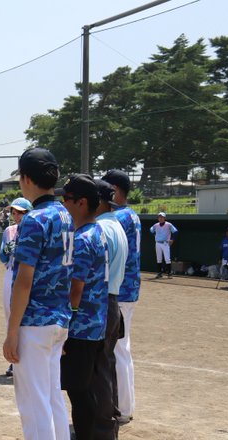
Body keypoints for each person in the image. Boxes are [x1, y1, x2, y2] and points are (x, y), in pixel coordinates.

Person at [1, 148, 73, 440]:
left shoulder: (34, 220)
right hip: (58, 318)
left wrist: (12, 330)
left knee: (34, 403)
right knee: (52, 397)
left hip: (35, 321)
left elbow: (24, 280)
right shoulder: (64, 214)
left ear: (26, 179)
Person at [59, 175, 108, 440]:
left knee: (79, 391)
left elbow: (75, 289)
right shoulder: (95, 231)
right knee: (83, 389)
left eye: (67, 199)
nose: (63, 204)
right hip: (94, 322)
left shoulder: (82, 239)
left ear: (82, 203)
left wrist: (65, 325)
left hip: (82, 327)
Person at [102, 169, 140, 425]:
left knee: (118, 350)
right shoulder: (131, 214)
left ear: (114, 190)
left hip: (120, 290)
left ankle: (123, 408)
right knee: (121, 349)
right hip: (129, 289)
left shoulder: (118, 217)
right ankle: (124, 406)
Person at [93, 178, 128, 440]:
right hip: (112, 300)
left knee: (98, 369)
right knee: (107, 364)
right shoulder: (115, 224)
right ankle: (109, 420)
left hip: (101, 301)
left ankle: (102, 428)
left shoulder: (101, 227)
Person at [0, 198, 33, 377]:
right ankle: (13, 360)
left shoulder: (34, 228)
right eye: (14, 212)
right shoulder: (9, 231)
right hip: (11, 272)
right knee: (10, 315)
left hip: (27, 274)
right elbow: (2, 257)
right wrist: (7, 250)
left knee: (25, 316)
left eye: (21, 212)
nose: (16, 215)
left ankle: (27, 359)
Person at [149, 212, 177, 279]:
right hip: (158, 243)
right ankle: (159, 273)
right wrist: (155, 235)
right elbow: (151, 230)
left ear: (164, 218)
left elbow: (175, 232)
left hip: (165, 243)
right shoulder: (156, 225)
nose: (160, 218)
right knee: (159, 259)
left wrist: (172, 239)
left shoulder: (168, 224)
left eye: (162, 217)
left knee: (167, 259)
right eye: (159, 217)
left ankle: (169, 273)